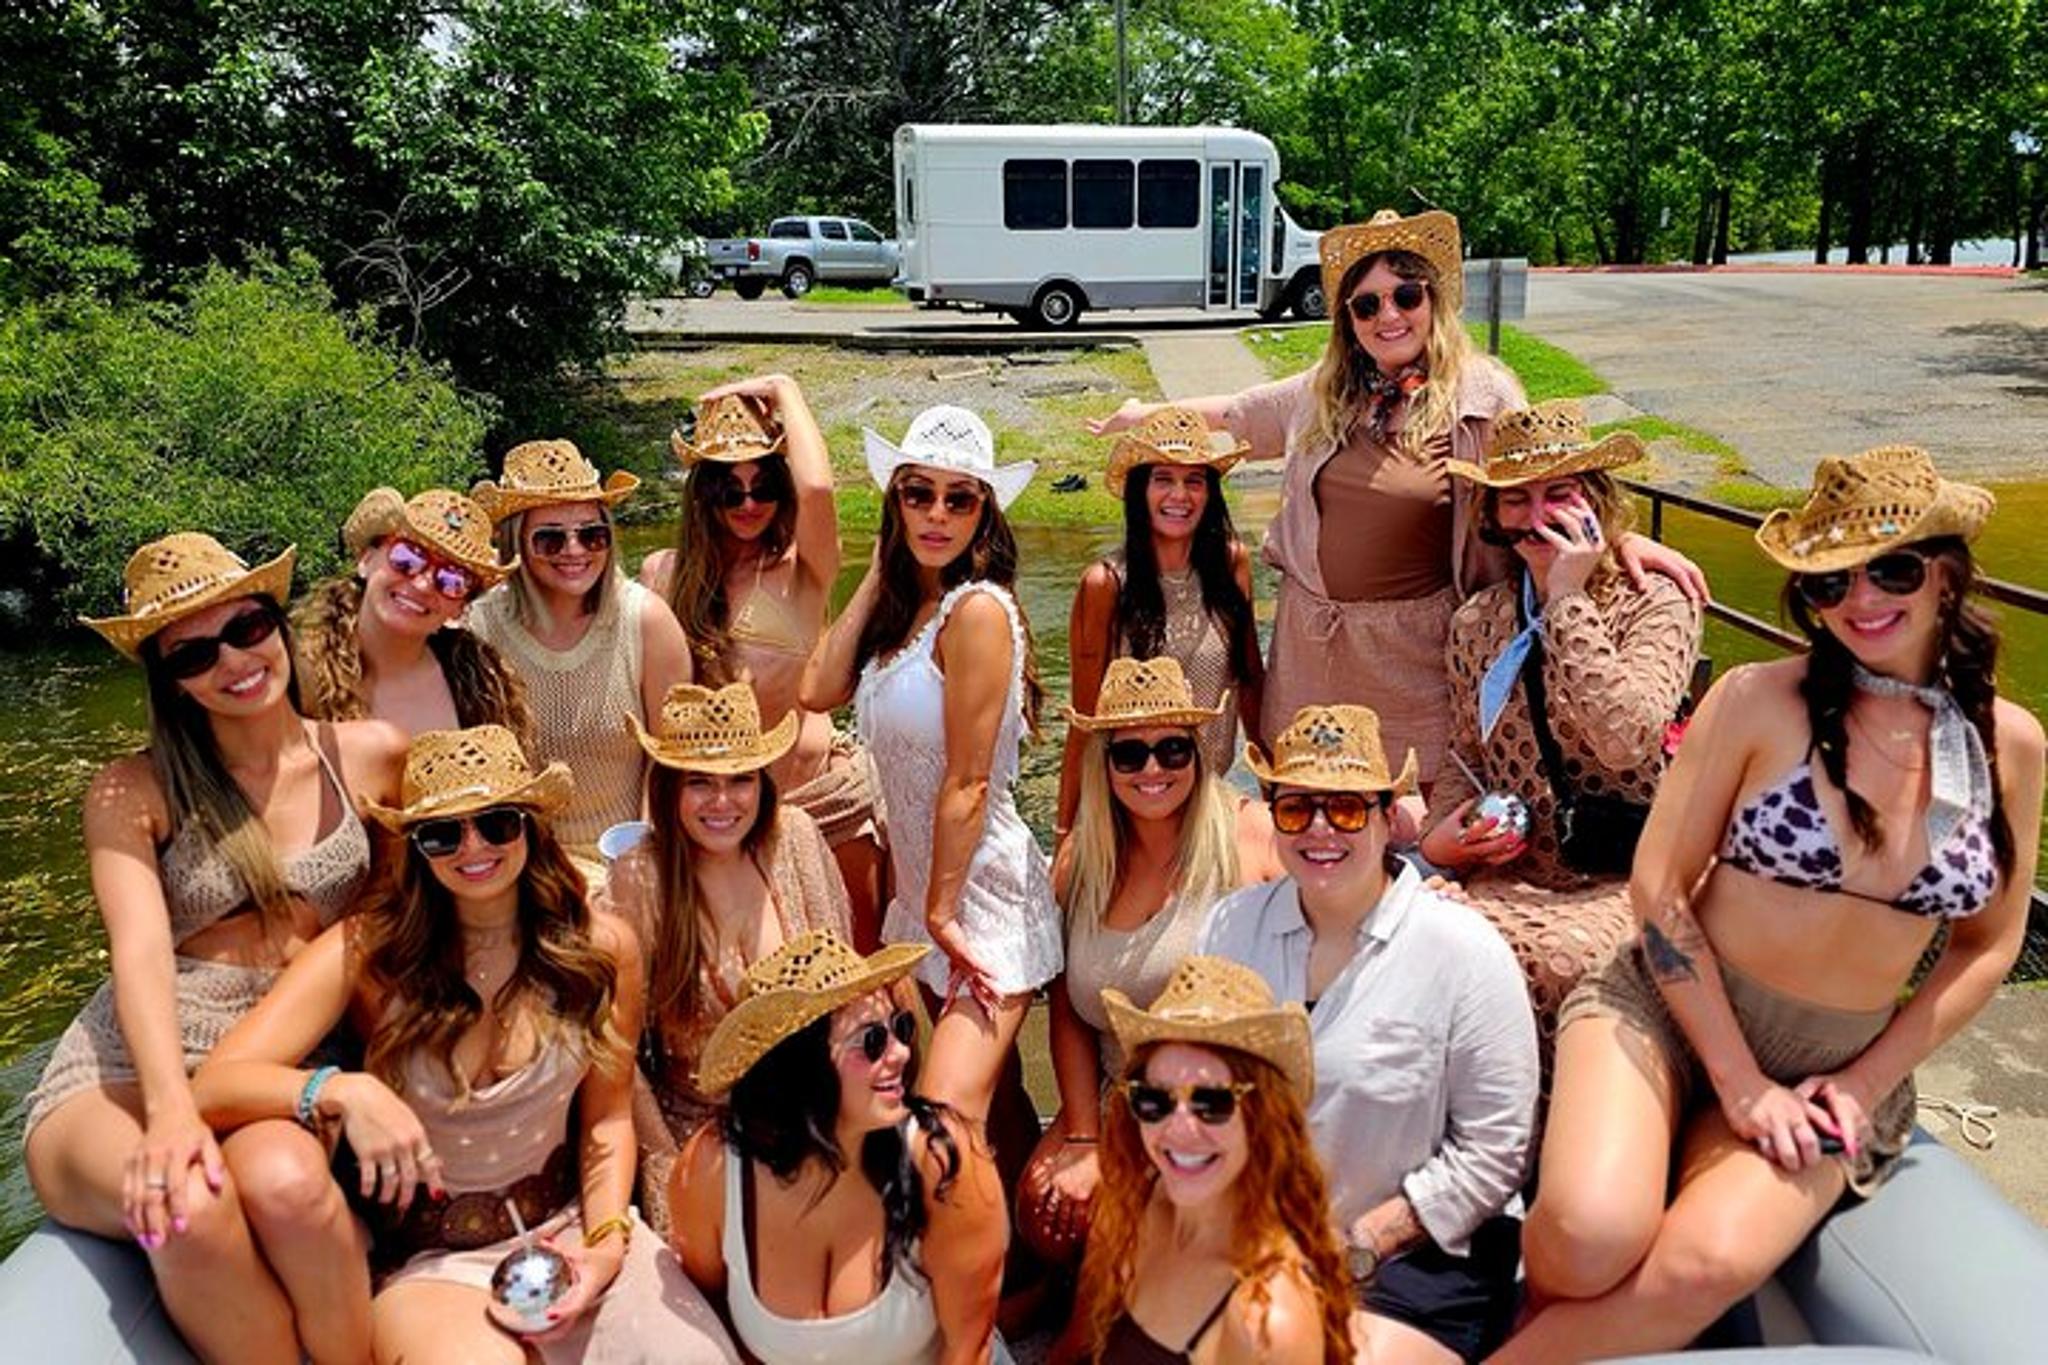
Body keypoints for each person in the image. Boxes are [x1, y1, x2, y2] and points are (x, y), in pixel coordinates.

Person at [1503, 446, 2045, 1362]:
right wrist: (1739, 1083)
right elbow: (1660, 887)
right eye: (1831, 581)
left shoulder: (2009, 745)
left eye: (1894, 568)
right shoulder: (1758, 701)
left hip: (1832, 1067)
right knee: (1585, 1232)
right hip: (1665, 1009)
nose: (1862, 600)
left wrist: (1867, 1082)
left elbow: (1989, 943)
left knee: (1700, 1267)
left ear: (1949, 569)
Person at [1088, 209, 1704, 798]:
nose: (1388, 315)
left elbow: (1541, 475)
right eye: (1367, 303)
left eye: (1405, 296)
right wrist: (1145, 415)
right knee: (1309, 803)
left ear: (1433, 299)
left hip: (1419, 651)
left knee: (1427, 799)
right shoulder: (1325, 389)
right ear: (1347, 317)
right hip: (1312, 644)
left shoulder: (1482, 391)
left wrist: (1621, 542)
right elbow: (1239, 411)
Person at [192, 724, 737, 1363]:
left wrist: (607, 1242)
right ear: (415, 846)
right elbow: (211, 1087)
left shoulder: (602, 948)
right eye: (443, 833)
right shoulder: (369, 953)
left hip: (569, 1226)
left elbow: (606, 1117)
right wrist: (340, 1089)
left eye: (497, 823)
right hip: (434, 1264)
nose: (473, 847)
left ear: (531, 826)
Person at [24, 532, 405, 1363]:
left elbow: (401, 918)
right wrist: (169, 1114)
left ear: (280, 622)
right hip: (134, 1067)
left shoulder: (371, 755)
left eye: (247, 627)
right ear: (168, 681)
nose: (233, 660)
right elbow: (140, 952)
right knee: (184, 1204)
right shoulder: (133, 789)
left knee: (295, 1185)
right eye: (193, 653)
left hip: (274, 1052)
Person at [1197, 704, 1538, 1365]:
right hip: (1264, 1239)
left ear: (1387, 818)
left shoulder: (1462, 949)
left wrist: (1361, 1242)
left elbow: (1498, 1148)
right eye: (1297, 808)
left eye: (1347, 809)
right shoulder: (1228, 929)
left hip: (1421, 1257)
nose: (1321, 828)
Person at [802, 405, 1060, 1155]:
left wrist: (944, 911)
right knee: (998, 1105)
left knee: (939, 1127)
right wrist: (885, 561)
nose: (938, 513)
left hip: (979, 899)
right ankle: (1022, 1268)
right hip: (924, 900)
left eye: (960, 497)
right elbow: (818, 687)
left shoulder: (975, 612)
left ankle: (968, 1271)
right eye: (918, 494)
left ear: (986, 512)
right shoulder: (906, 611)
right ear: (895, 502)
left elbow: (970, 779)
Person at [1418, 402, 1702, 1080]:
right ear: (1493, 515)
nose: (1538, 514)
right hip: (1513, 869)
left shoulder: (1654, 598)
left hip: (1626, 877)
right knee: (1419, 939)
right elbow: (1466, 755)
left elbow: (1628, 737)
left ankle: (1560, 1135)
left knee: (1551, 963)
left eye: (1560, 493)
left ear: (1597, 500)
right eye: (1516, 498)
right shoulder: (1478, 621)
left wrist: (1568, 598)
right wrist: (1442, 842)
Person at [1025, 657, 1282, 1266]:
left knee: (1133, 1228)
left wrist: (1411, 883)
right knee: (1042, 1210)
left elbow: (1334, 888)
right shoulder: (1078, 865)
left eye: (1172, 750)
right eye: (1130, 754)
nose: (1153, 770)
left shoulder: (1248, 834)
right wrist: (1085, 1135)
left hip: (1218, 1097)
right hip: (1119, 1089)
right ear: (1104, 763)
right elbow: (1067, 1016)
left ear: (1197, 753)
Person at [669, 930, 1010, 1364]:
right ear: (799, 1070)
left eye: (900, 1028)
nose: (902, 1053)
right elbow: (715, 1328)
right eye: (872, 1041)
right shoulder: (710, 1171)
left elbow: (969, 1349)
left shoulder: (944, 1160)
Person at [640, 379, 887, 947]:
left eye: (766, 484)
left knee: (866, 968)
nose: (750, 504)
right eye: (731, 489)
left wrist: (785, 389)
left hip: (819, 803)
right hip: (715, 814)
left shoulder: (803, 571)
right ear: (703, 494)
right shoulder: (662, 575)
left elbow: (820, 487)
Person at [607, 680, 852, 1231]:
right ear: (669, 790)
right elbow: (618, 1052)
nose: (723, 802)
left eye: (741, 780)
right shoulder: (639, 879)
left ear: (763, 785)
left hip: (815, 1119)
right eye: (700, 784)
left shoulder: (798, 840)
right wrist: (664, 1169)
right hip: (704, 1137)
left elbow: (850, 996)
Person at [1071, 955, 1353, 1365]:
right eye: (1155, 1099)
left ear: (1263, 1116)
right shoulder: (1144, 1201)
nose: (1179, 1128)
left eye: (1212, 1102)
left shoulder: (1267, 1320)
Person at [468, 438, 693, 879]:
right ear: (517, 542)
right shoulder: (481, 629)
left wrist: (642, 856)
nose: (575, 550)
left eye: (592, 534)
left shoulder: (646, 620)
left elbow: (670, 760)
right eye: (551, 539)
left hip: (629, 850)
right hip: (520, 863)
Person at [1057, 406, 1263, 835]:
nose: (1179, 496)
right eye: (1162, 479)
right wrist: (1066, 835)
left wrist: (1278, 796)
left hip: (1208, 796)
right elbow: (1083, 722)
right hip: (1129, 802)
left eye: (1194, 481)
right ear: (1139, 490)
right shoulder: (1105, 583)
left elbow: (1251, 687)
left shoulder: (1232, 563)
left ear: (1210, 494)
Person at [293, 486, 532, 741]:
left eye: (452, 579)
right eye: (408, 557)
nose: (422, 584)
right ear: (366, 559)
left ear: (460, 607)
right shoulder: (296, 676)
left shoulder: (482, 688)